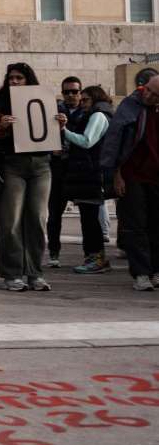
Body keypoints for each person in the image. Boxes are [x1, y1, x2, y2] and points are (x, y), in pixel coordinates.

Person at [0, 62, 61, 292]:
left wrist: (60, 125)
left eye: (19, 78)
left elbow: (51, 133)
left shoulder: (43, 99)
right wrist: (0, 125)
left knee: (37, 218)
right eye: (11, 78)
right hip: (11, 163)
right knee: (11, 220)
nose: (14, 81)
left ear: (28, 80)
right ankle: (12, 273)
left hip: (41, 164)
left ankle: (35, 272)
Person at [99, 67, 159, 291]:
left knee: (155, 225)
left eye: (155, 95)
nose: (148, 96)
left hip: (155, 176)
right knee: (136, 226)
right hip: (132, 175)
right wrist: (116, 174)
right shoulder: (130, 106)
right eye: (147, 90)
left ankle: (155, 270)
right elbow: (114, 140)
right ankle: (141, 273)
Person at [58, 85, 113, 276]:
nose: (82, 103)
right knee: (88, 218)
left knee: (90, 220)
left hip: (90, 174)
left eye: (85, 100)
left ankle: (96, 258)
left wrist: (64, 131)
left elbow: (86, 141)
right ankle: (93, 257)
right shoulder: (91, 114)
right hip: (85, 174)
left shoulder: (98, 115)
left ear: (95, 99)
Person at [45, 76, 83, 267]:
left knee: (87, 213)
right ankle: (53, 252)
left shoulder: (88, 112)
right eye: (66, 91)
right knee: (54, 213)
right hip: (58, 167)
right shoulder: (55, 111)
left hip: (79, 167)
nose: (70, 95)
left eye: (74, 91)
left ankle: (92, 254)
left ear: (80, 93)